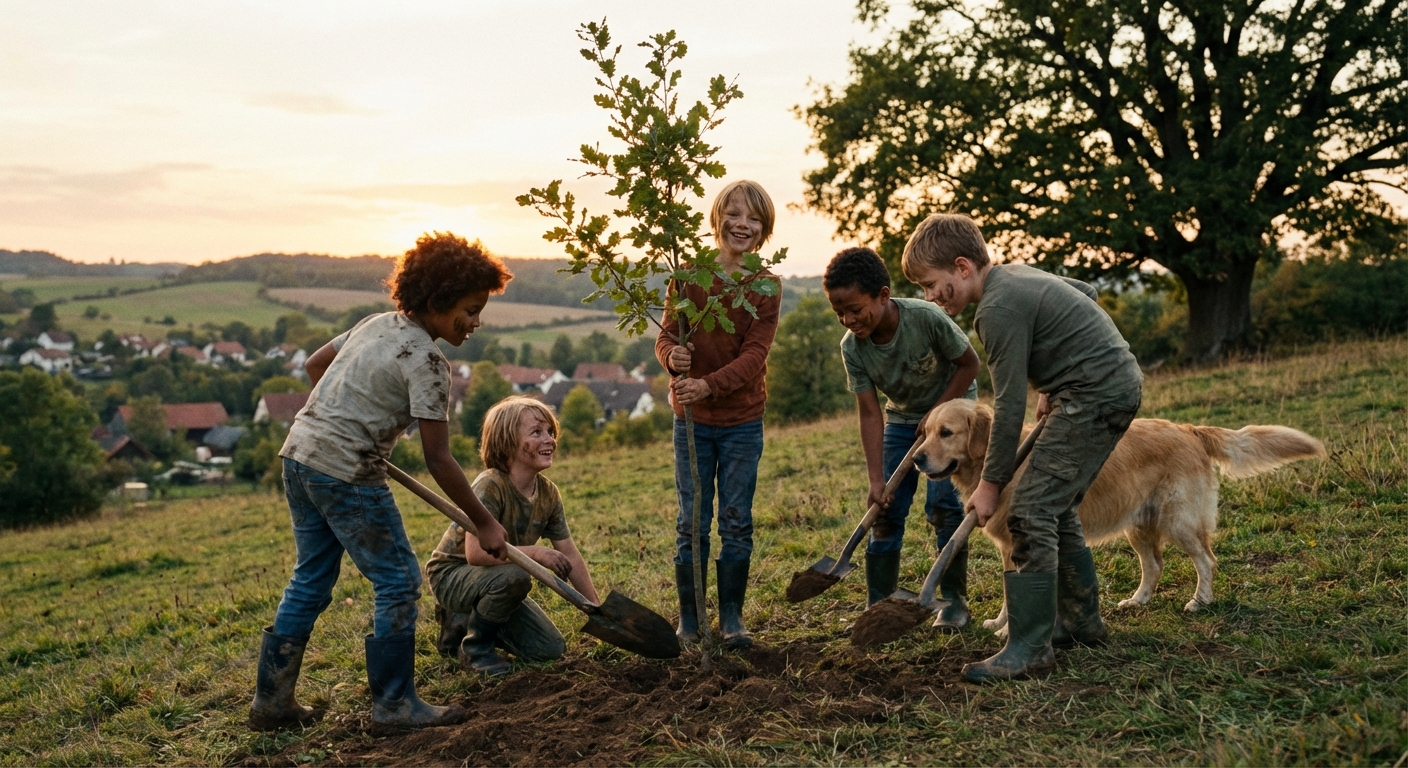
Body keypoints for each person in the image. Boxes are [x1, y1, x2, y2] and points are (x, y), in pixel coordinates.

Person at [248, 232, 512, 730]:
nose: (476, 323)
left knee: (311, 577)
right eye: (470, 310)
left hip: (300, 456)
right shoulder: (429, 362)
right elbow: (439, 458)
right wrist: (484, 524)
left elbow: (315, 365)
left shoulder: (375, 325)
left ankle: (271, 701)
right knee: (398, 580)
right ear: (436, 301)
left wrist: (342, 417)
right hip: (348, 473)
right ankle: (393, 704)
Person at [901, 214, 1143, 683]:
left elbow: (1009, 408)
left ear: (963, 266)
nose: (930, 297)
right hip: (1101, 385)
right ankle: (1081, 622)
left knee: (1027, 510)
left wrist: (990, 486)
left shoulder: (996, 310)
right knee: (1055, 506)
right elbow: (1084, 293)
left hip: (1097, 394)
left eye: (933, 285)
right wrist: (1058, 374)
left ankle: (1030, 647)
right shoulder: (1014, 276)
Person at [655, 179, 782, 649]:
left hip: (741, 422)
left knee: (735, 520)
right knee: (691, 521)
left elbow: (755, 356)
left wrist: (707, 384)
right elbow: (666, 336)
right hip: (690, 422)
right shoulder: (688, 276)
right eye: (734, 214)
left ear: (764, 229)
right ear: (717, 218)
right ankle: (690, 621)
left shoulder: (766, 285)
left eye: (753, 218)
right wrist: (672, 358)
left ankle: (731, 621)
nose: (742, 224)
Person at [823, 247, 980, 625]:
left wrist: (936, 413)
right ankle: (880, 606)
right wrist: (877, 479)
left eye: (855, 310)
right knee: (886, 510)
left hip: (950, 415)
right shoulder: (853, 348)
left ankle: (954, 602)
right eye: (839, 313)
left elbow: (969, 364)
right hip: (901, 420)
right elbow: (869, 412)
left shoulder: (925, 318)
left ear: (882, 295)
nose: (848, 320)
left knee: (945, 509)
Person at [425, 397, 599, 675]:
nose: (549, 440)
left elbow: (570, 553)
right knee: (516, 577)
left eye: (550, 432)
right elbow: (476, 555)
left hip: (497, 579)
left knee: (550, 650)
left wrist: (596, 609)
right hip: (454, 575)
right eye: (536, 432)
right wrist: (536, 553)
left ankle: (463, 622)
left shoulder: (549, 493)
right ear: (507, 443)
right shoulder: (490, 485)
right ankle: (476, 651)